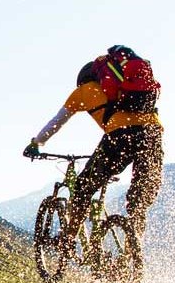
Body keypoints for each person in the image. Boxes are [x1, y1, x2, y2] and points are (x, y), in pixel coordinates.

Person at [22, 45, 165, 242]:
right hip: (153, 133)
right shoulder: (127, 88)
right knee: (139, 199)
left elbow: (56, 122)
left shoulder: (83, 91)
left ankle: (68, 239)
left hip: (120, 135)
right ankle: (132, 249)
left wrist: (36, 143)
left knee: (82, 187)